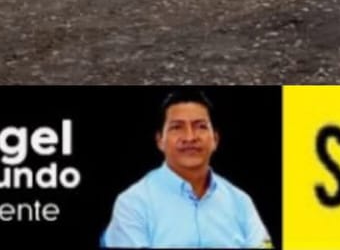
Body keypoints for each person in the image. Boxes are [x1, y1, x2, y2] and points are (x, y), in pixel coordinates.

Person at [101, 89, 271, 249]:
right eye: (177, 127)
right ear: (160, 140)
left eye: (201, 126)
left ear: (215, 139)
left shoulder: (240, 202)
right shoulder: (133, 203)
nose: (190, 137)